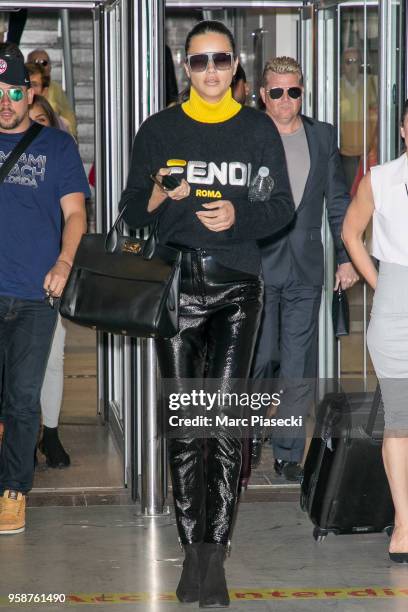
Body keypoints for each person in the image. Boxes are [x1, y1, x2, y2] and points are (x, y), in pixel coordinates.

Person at [119, 20, 294, 608]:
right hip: (173, 292)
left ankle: (211, 556)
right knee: (185, 424)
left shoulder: (256, 130)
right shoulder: (159, 129)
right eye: (199, 61)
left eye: (221, 59)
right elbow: (129, 214)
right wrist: (158, 195)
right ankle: (191, 547)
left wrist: (237, 220)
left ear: (236, 64)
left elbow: (282, 209)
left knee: (222, 420)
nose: (212, 70)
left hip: (238, 290)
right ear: (185, 66)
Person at [252, 56, 359, 482]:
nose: (285, 100)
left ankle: (287, 453)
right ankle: (247, 436)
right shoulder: (249, 135)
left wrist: (347, 254)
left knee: (297, 364)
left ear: (302, 92)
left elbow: (337, 202)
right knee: (259, 359)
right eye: (276, 92)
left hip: (306, 266)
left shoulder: (322, 136)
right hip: (257, 265)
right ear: (263, 95)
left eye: (293, 91)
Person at [0, 49, 89, 534]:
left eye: (15, 92)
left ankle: (12, 489)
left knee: (21, 397)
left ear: (31, 92)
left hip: (37, 295)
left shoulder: (57, 147)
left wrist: (63, 261)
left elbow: (75, 213)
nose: (6, 103)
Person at [342, 100, 408, 563]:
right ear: (404, 129)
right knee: (401, 422)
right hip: (395, 311)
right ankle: (405, 523)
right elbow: (350, 232)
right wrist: (382, 283)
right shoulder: (381, 179)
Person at [28, 94, 71, 468]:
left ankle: (51, 433)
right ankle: (24, 433)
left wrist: (64, 261)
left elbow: (75, 215)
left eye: (43, 119)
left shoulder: (59, 161)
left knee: (53, 357)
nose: (36, 126)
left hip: (52, 278)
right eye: (32, 119)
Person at [339, 47, 377, 190]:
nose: (353, 66)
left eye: (356, 61)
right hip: (345, 153)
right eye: (348, 61)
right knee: (350, 191)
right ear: (342, 65)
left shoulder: (371, 84)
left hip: (368, 152)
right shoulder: (336, 87)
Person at [26, 48, 77, 139]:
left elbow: (68, 115)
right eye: (35, 62)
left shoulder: (59, 126)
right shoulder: (8, 113)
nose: (29, 89)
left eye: (44, 62)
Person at [26, 62, 71, 134]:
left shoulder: (59, 125)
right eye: (25, 84)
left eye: (34, 85)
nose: (28, 89)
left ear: (44, 91)